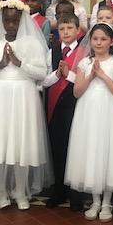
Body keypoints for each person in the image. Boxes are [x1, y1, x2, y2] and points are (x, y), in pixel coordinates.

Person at [0, 0, 52, 210]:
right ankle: (1, 191)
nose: (10, 25)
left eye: (15, 21)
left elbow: (41, 73)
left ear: (22, 20)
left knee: (21, 144)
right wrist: (0, 64)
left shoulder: (32, 43)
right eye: (6, 21)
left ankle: (20, 190)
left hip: (24, 96)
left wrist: (19, 63)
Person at [64, 23, 113, 222]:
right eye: (95, 39)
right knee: (91, 150)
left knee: (108, 150)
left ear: (111, 41)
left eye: (103, 39)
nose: (98, 42)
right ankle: (95, 201)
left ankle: (107, 202)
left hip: (110, 110)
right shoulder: (84, 63)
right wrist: (90, 75)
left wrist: (102, 75)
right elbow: (77, 92)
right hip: (87, 110)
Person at [42, 13, 84, 211]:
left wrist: (69, 75)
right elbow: (43, 80)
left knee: (75, 148)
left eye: (70, 28)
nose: (66, 32)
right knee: (57, 148)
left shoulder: (84, 52)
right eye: (62, 29)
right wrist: (57, 74)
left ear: (78, 30)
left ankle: (76, 193)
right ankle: (59, 190)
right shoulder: (52, 51)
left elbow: (86, 79)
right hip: (55, 106)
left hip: (75, 105)